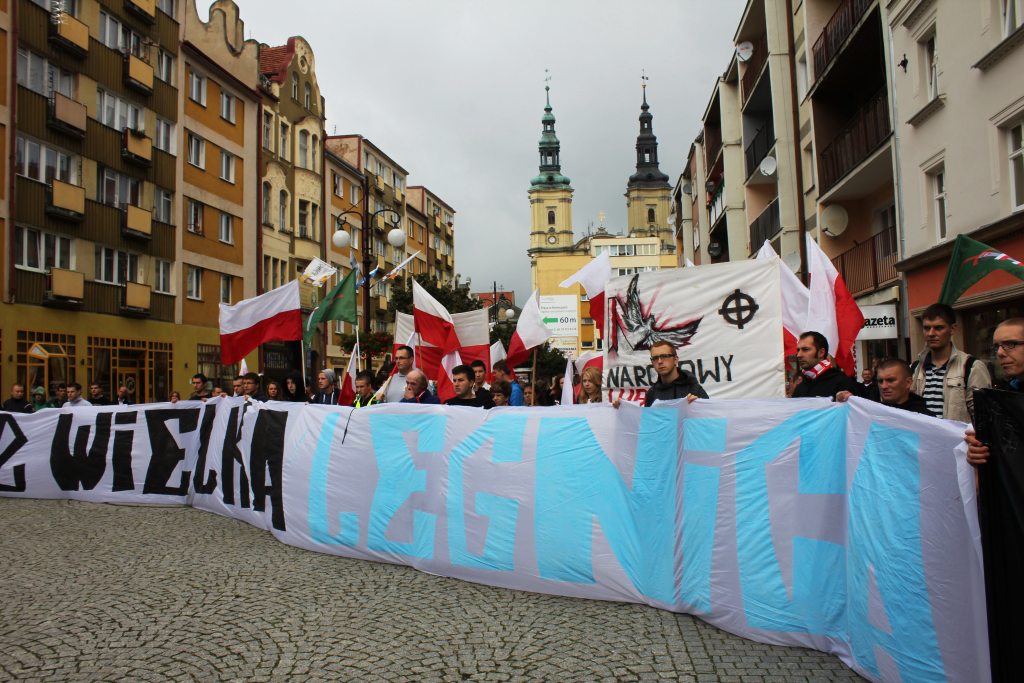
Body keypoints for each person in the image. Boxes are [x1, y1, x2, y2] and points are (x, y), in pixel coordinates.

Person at [910, 303, 991, 422]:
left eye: (938, 328)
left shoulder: (972, 367)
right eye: (927, 328)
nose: (931, 333)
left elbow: (983, 417)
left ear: (952, 329)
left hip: (957, 434)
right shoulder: (915, 368)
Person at [966, 318, 1024, 466]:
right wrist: (979, 452)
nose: (1000, 353)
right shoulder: (1001, 397)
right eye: (997, 346)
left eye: (1010, 344)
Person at [790, 331, 862, 400]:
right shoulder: (800, 387)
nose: (799, 355)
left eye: (805, 349)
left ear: (821, 353)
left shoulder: (842, 382)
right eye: (798, 350)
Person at [850, 358, 934, 416]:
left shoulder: (926, 418)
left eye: (890, 380)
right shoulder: (873, 414)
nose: (884, 386)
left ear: (908, 382)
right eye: (880, 381)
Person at [642, 340, 709, 406]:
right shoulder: (651, 394)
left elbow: (709, 411)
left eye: (664, 356)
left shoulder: (694, 390)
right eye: (655, 358)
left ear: (675, 359)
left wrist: (698, 406)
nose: (659, 361)